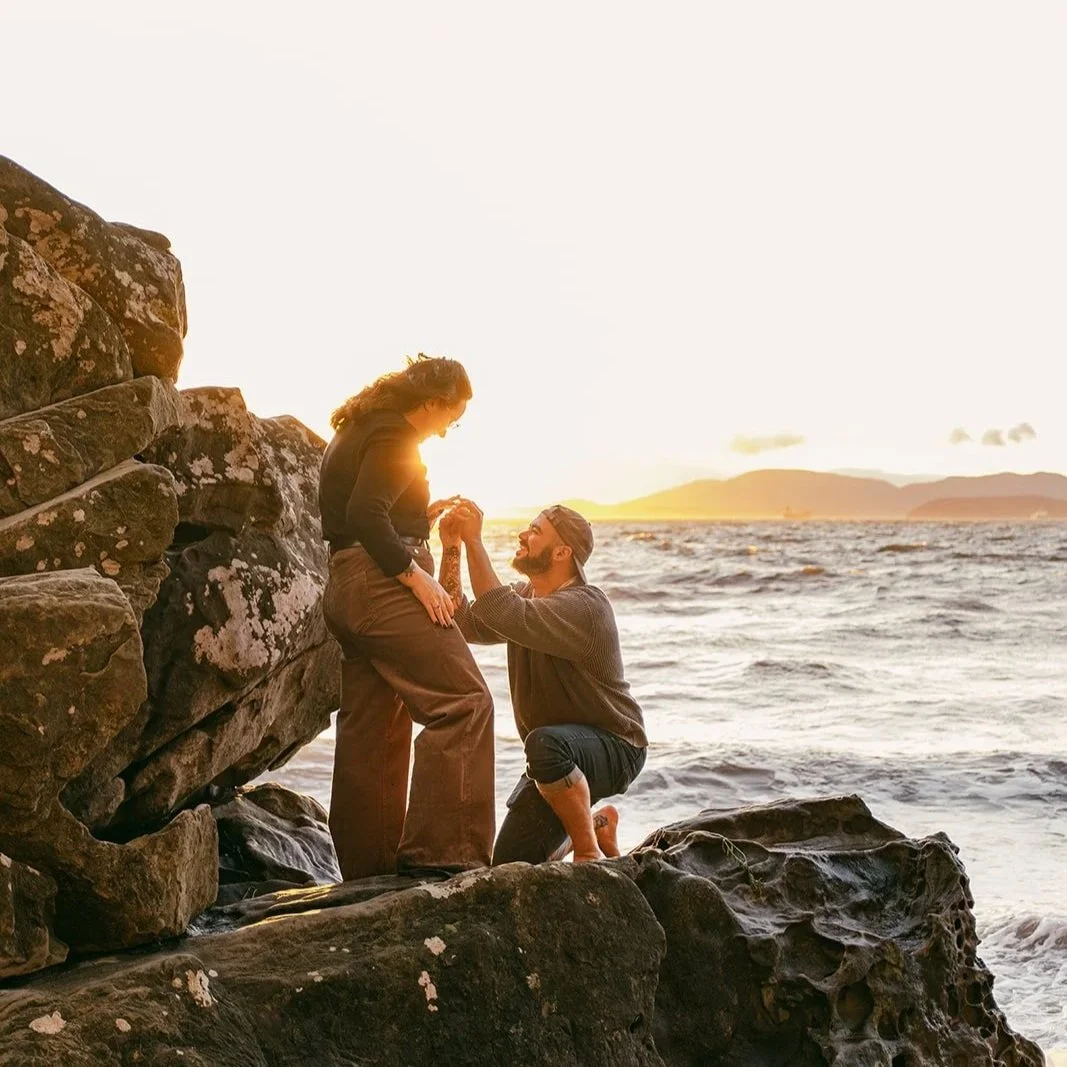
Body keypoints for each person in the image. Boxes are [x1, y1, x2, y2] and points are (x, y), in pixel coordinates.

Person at [317, 355, 494, 880]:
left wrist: (419, 513)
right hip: (379, 581)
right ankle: (444, 858)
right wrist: (420, 579)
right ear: (435, 401)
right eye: (451, 417)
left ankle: (369, 872)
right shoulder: (397, 436)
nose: (446, 430)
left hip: (348, 584)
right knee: (465, 702)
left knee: (374, 727)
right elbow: (366, 515)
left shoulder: (362, 426)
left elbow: (363, 510)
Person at [438, 500, 647, 864]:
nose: (523, 534)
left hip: (616, 744)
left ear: (562, 551)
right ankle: (596, 827)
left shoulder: (586, 607)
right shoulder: (525, 597)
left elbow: (501, 611)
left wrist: (476, 542)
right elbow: (463, 621)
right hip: (555, 752)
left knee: (546, 745)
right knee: (510, 864)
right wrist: (453, 546)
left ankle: (587, 853)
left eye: (535, 531)